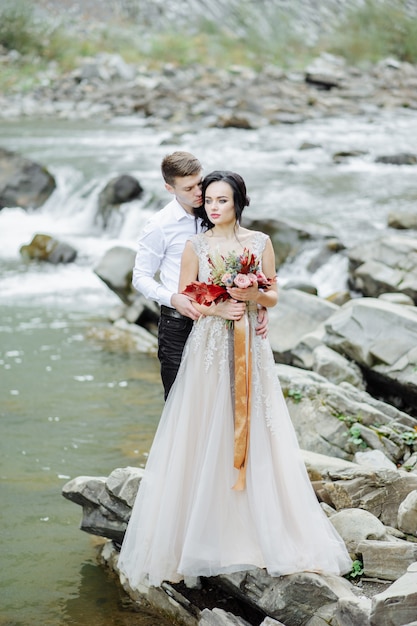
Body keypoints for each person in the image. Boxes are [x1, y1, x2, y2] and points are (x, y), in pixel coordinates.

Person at [118, 170, 352, 589]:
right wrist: (217, 310)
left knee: (255, 421)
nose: (213, 207)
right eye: (208, 200)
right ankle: (196, 529)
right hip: (209, 343)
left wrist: (253, 299)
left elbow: (274, 295)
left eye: (221, 200)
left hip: (251, 347)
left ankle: (255, 523)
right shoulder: (195, 244)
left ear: (238, 203)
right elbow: (188, 296)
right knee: (207, 423)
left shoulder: (260, 242)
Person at [132, 151, 267, 399]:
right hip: (180, 323)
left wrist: (258, 304)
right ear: (169, 188)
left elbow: (241, 252)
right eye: (188, 188)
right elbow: (140, 277)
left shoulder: (215, 209)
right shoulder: (159, 225)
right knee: (179, 406)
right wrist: (173, 298)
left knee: (222, 404)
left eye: (200, 183)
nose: (198, 193)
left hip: (222, 322)